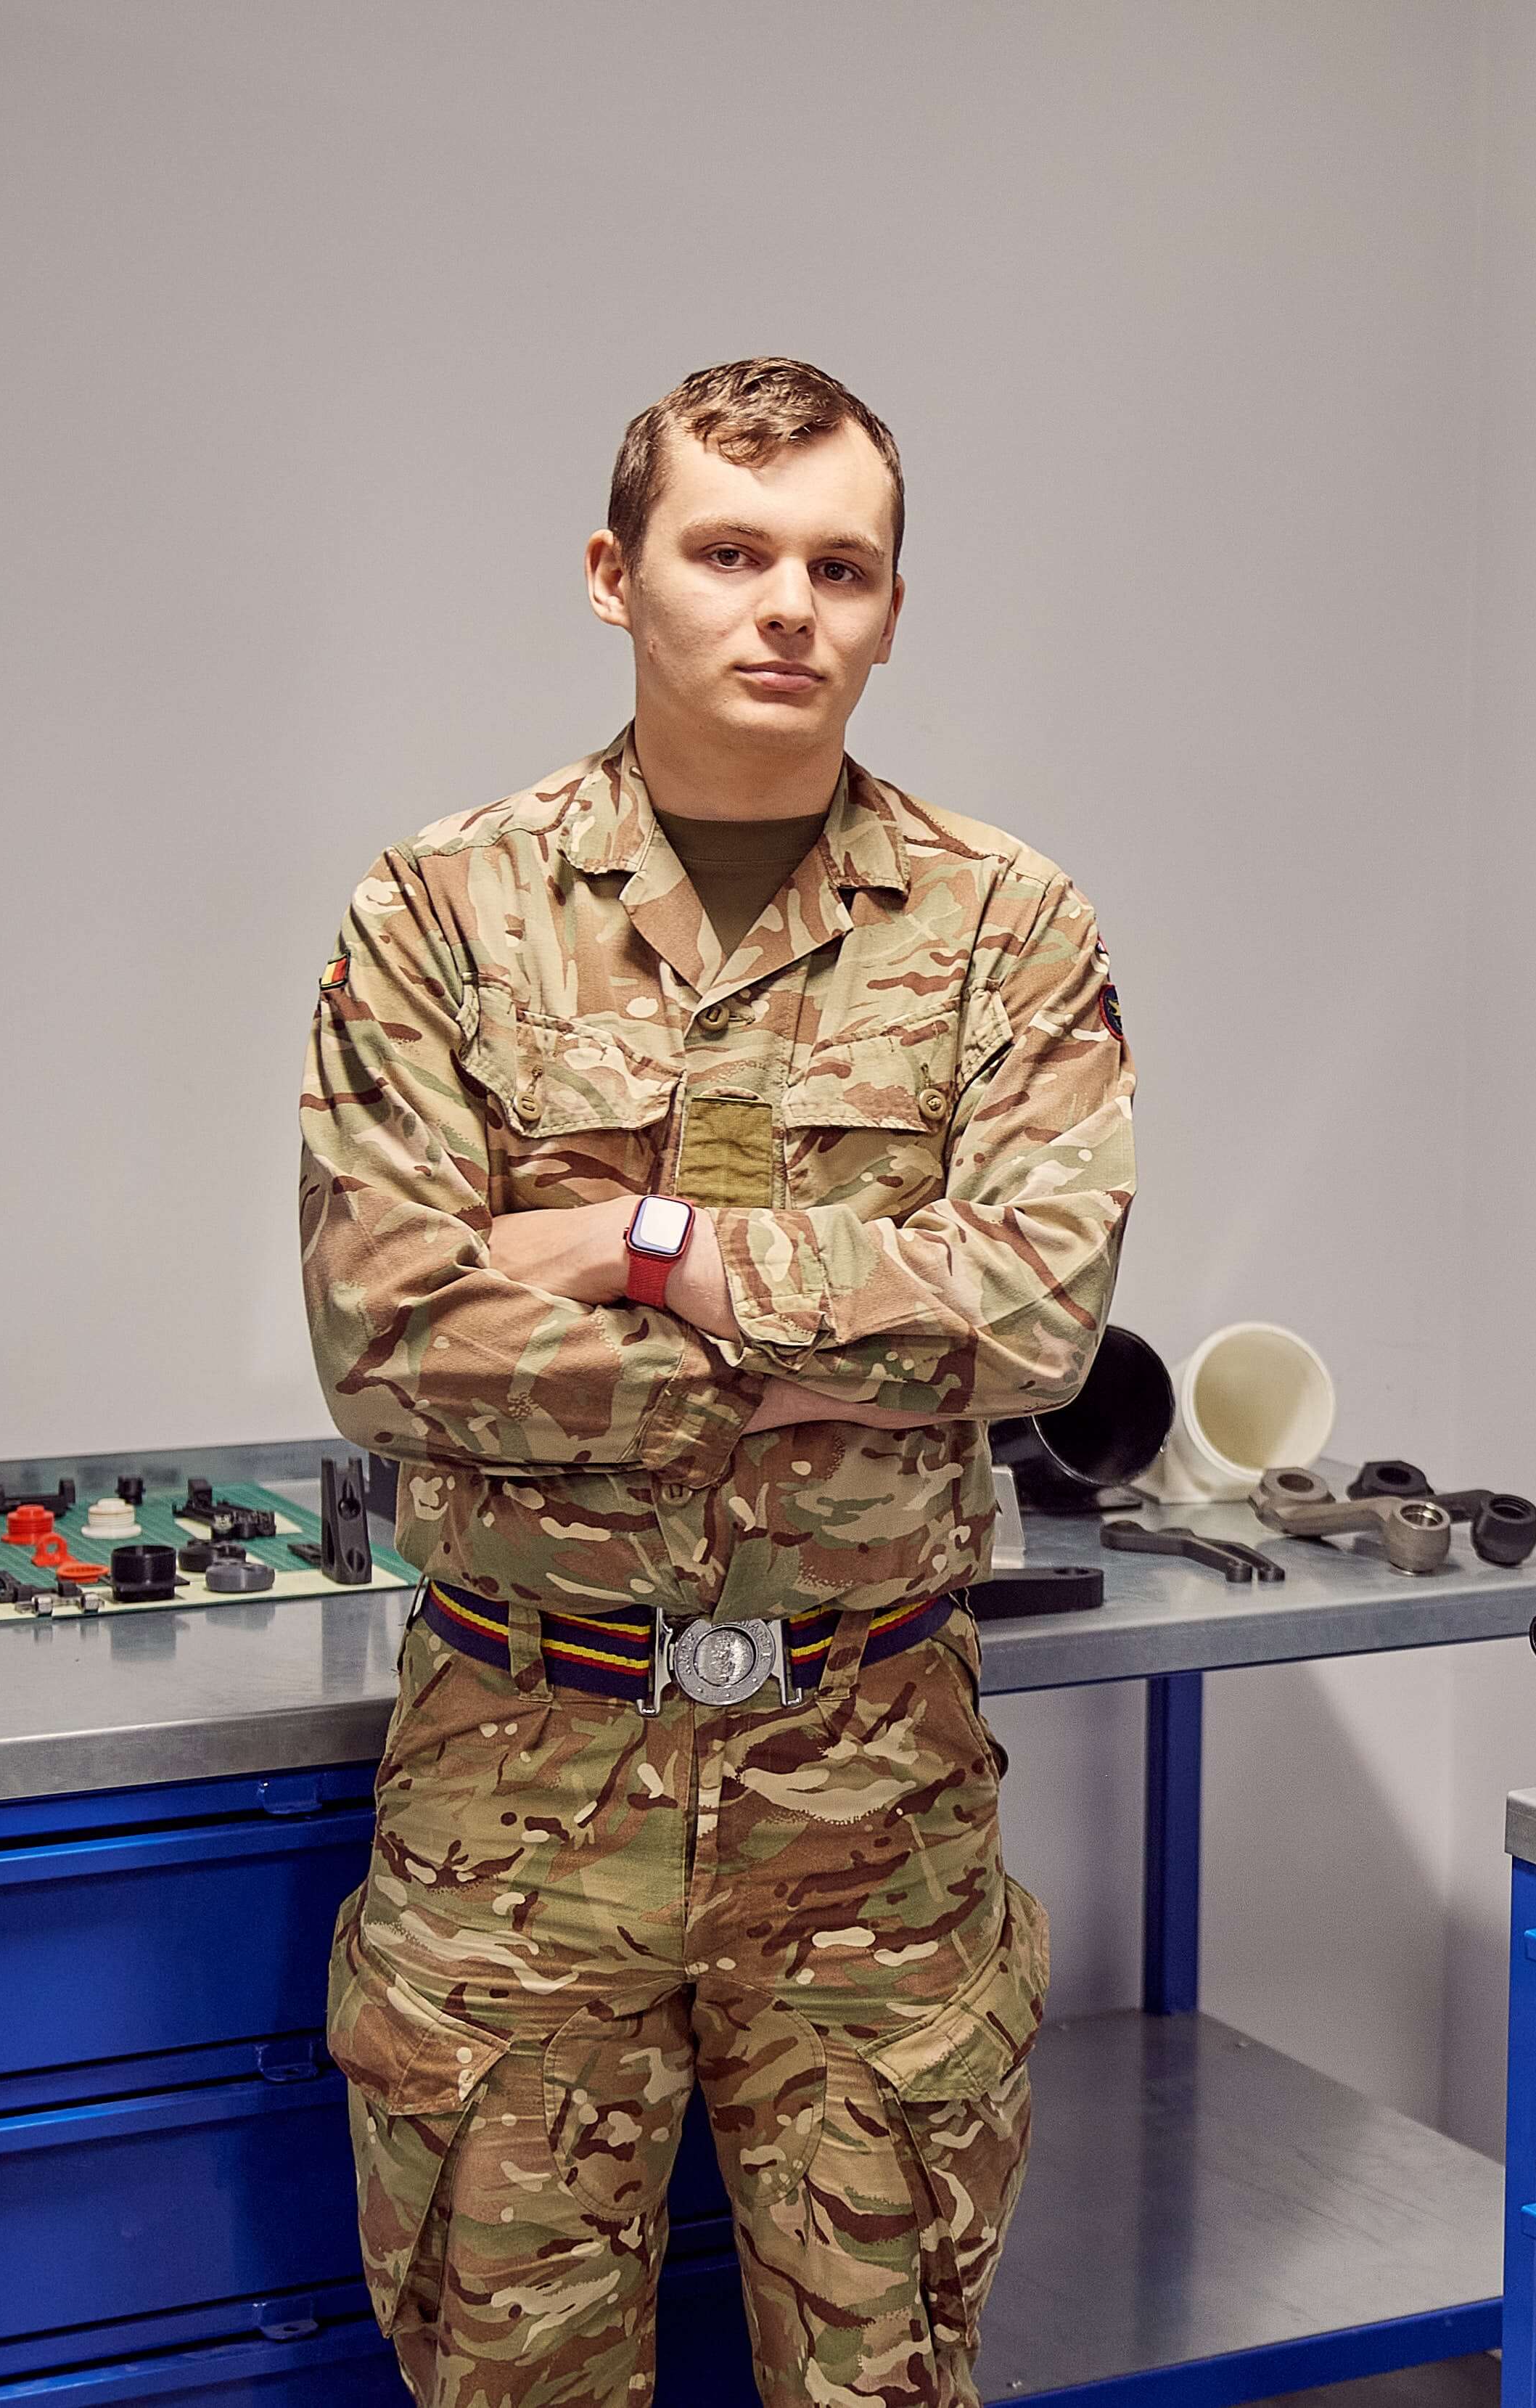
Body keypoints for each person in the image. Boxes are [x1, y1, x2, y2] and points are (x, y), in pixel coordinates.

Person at [299, 356, 1134, 2407]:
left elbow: (1036, 1325)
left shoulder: (1006, 927)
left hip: (875, 1793)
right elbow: (388, 1339)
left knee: (884, 2383)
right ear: (616, 574)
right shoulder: (442, 915)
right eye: (731, 551)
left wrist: (642, 1247)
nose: (787, 608)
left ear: (891, 608)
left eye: (840, 567)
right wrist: (849, 1365)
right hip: (521, 1792)